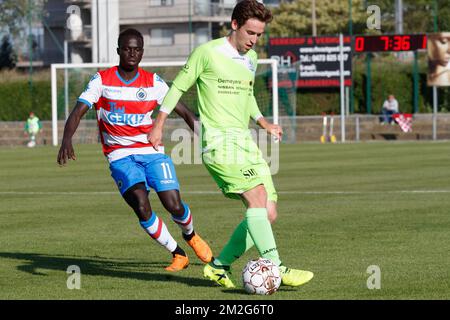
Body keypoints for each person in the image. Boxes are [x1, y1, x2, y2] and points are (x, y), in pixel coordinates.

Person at [149, 0, 313, 288]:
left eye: (259, 35)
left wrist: (263, 122)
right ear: (235, 24)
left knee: (268, 212)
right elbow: (178, 87)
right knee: (256, 202)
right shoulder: (207, 53)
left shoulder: (251, 60)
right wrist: (159, 124)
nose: (254, 40)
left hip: (245, 142)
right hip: (218, 144)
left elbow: (247, 95)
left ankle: (218, 266)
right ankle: (277, 267)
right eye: (250, 32)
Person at [57, 28, 212, 272]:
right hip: (120, 156)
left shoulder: (153, 82)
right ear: (118, 50)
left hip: (152, 152)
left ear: (142, 52)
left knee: (173, 204)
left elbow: (184, 112)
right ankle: (177, 253)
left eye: (137, 49)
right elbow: (78, 111)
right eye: (127, 48)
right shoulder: (101, 80)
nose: (132, 53)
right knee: (141, 205)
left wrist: (206, 139)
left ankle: (191, 235)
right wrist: (67, 139)